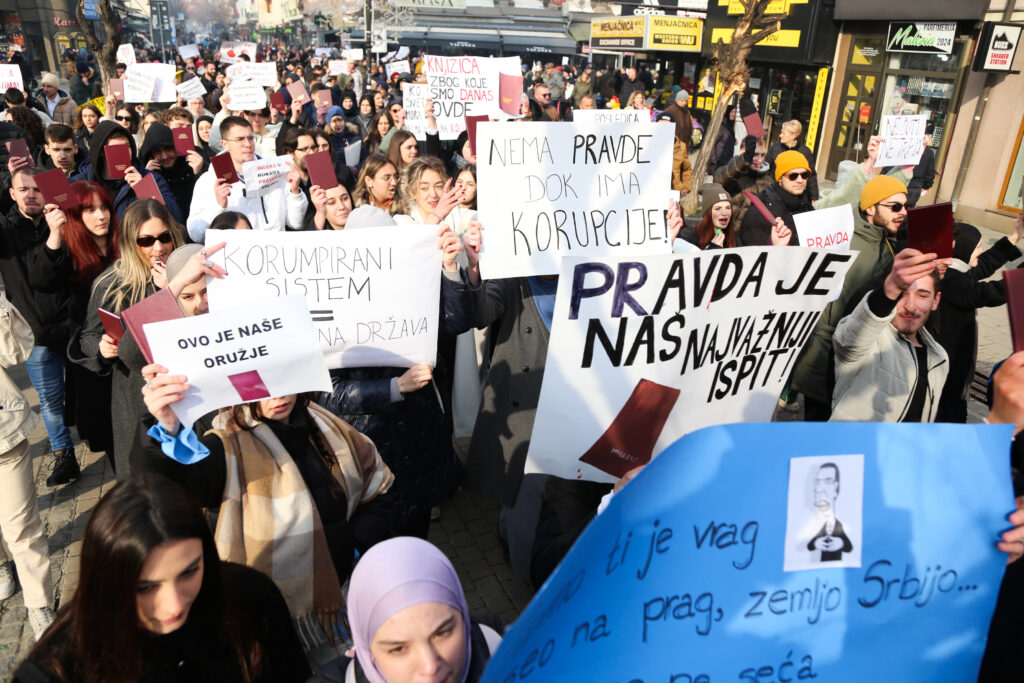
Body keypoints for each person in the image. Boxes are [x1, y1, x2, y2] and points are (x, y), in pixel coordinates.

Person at [133, 371, 395, 652]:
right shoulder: (226, 448)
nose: (277, 396)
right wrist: (165, 428)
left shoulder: (328, 426)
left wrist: (354, 545)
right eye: (260, 388)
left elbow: (379, 489)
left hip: (345, 594)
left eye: (282, 380)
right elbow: (165, 487)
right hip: (272, 619)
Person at [12, 476, 311, 682]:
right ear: (106, 580)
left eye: (189, 572)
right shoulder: (56, 669)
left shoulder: (252, 600)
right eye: (145, 587)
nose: (174, 605)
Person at [317, 211, 481, 538]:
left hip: (419, 436)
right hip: (367, 445)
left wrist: (450, 266)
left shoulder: (413, 283)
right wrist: (394, 386)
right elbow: (326, 394)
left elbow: (456, 322)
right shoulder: (329, 301)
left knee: (417, 530)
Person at [792, 135, 914, 421]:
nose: (903, 213)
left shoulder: (883, 241)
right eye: (895, 207)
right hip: (828, 366)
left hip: (851, 367)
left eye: (905, 206)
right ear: (870, 208)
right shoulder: (847, 244)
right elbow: (835, 313)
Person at [70, 199, 185, 475]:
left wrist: (175, 291)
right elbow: (87, 336)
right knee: (148, 480)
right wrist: (101, 349)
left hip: (186, 386)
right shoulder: (112, 283)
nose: (158, 248)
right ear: (131, 242)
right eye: (146, 240)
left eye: (164, 237)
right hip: (135, 395)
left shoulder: (187, 270)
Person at [316, 537, 503, 683]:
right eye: (398, 649)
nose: (430, 667)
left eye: (443, 632)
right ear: (366, 648)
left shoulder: (502, 642)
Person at [0, 166, 79, 485]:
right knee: (49, 400)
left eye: (37, 189)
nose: (31, 194)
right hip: (36, 335)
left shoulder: (60, 221)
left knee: (80, 394)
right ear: (12, 194)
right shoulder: (5, 229)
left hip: (73, 325)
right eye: (24, 189)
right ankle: (64, 454)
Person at [38, 181, 119, 461]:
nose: (101, 216)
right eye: (89, 210)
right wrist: (55, 234)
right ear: (75, 215)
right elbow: (43, 280)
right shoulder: (69, 255)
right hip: (92, 359)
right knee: (109, 434)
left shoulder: (124, 247)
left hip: (127, 352)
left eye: (104, 207)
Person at [830, 248, 948, 422]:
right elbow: (849, 342)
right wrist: (891, 287)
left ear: (935, 301)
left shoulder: (939, 357)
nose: (911, 306)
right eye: (902, 293)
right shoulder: (870, 340)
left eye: (922, 295)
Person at [0, 293, 54, 640]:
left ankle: (39, 605)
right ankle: (2, 565)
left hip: (3, 436)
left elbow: (16, 353)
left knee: (21, 526)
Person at [934, 216, 1024, 422]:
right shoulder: (951, 282)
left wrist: (1016, 235)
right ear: (964, 250)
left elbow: (983, 266)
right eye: (978, 247)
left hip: (951, 364)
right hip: (948, 367)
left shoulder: (954, 270)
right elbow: (990, 293)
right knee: (949, 414)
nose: (981, 252)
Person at [186, 115, 308, 241]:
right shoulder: (208, 181)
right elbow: (195, 234)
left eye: (250, 138)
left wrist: (295, 193)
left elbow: (295, 223)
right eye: (240, 139)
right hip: (234, 254)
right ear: (225, 144)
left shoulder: (276, 172)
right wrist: (219, 206)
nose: (247, 144)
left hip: (274, 252)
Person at [69, 120, 184, 223]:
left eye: (127, 147)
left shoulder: (150, 178)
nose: (124, 153)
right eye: (116, 149)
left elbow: (176, 218)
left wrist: (146, 189)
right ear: (101, 152)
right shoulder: (80, 182)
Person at [739, 149, 815, 246]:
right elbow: (754, 255)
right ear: (780, 179)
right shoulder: (760, 212)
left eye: (804, 175)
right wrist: (773, 245)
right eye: (793, 176)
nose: (800, 180)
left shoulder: (806, 205)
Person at [138, 121, 204, 214]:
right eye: (157, 152)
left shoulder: (192, 168)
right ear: (150, 155)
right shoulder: (146, 174)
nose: (164, 156)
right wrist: (147, 177)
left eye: (168, 149)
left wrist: (199, 173)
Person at [713, 134, 772, 224]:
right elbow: (720, 181)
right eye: (755, 154)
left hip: (749, 234)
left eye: (762, 155)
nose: (760, 160)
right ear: (741, 152)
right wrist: (745, 160)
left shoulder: (768, 181)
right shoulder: (728, 171)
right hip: (725, 230)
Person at [806, 463, 853, 561]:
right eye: (817, 482)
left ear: (836, 487)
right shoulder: (820, 526)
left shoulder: (838, 525)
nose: (819, 488)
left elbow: (849, 547)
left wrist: (841, 543)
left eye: (827, 481)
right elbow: (810, 545)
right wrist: (816, 543)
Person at [766, 120, 819, 201]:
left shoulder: (805, 152)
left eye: (783, 133)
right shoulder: (775, 148)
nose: (780, 135)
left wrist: (814, 197)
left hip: (798, 197)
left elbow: (811, 175)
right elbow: (766, 171)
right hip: (775, 195)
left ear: (793, 136)